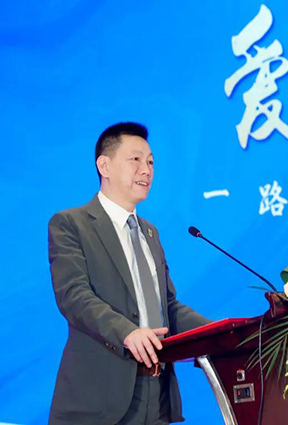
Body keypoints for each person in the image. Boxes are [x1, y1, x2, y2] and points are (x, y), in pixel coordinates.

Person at [48, 122, 211, 424]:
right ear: (105, 166)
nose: (146, 170)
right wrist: (127, 333)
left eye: (150, 162)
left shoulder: (150, 233)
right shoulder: (71, 224)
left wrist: (223, 334)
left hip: (157, 395)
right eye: (135, 159)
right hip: (99, 398)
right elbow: (73, 296)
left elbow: (168, 308)